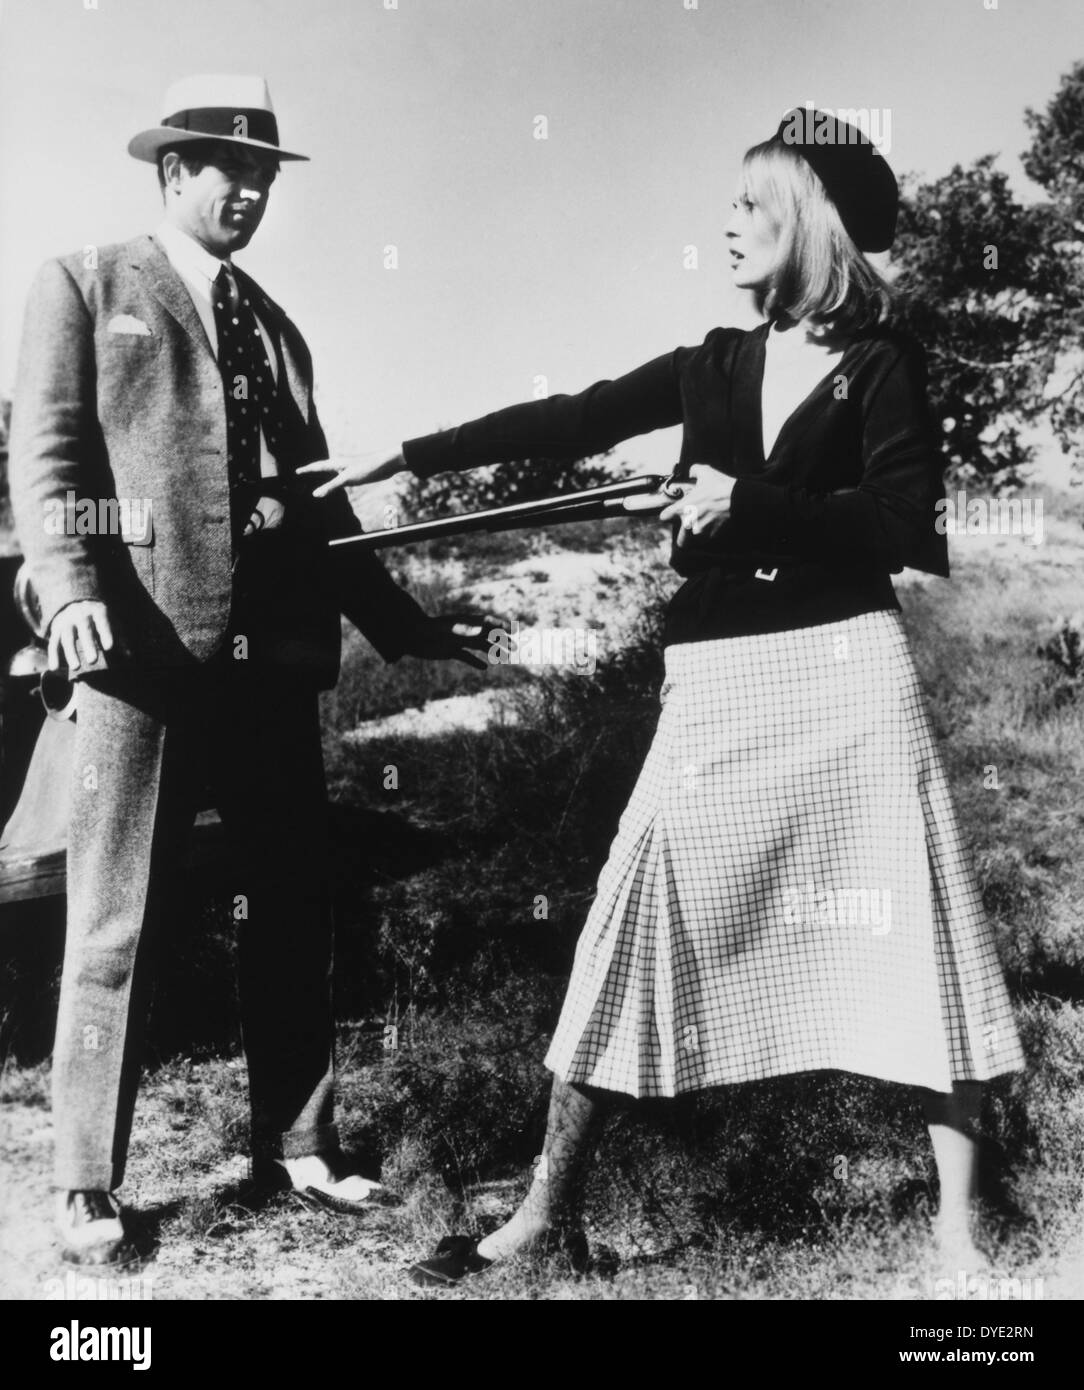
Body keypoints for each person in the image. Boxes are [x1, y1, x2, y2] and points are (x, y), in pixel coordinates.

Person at [304, 108, 1024, 1285]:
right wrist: (402, 455)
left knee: (916, 925)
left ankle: (955, 1235)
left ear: (805, 219)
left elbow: (909, 528)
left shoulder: (884, 361)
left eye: (749, 205)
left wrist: (750, 504)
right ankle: (546, 1214)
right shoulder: (712, 361)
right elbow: (571, 415)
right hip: (719, 681)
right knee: (631, 915)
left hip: (846, 674)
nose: (727, 225)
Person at [9, 74, 487, 1268]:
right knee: (114, 918)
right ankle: (83, 1181)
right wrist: (68, 594)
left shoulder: (278, 331)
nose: (251, 191)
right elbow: (53, 457)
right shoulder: (83, 282)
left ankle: (299, 1142)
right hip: (140, 656)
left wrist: (405, 625)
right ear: (173, 173)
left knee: (293, 905)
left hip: (271, 666)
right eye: (229, 169)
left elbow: (321, 514)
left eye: (266, 173)